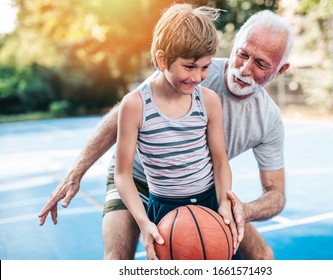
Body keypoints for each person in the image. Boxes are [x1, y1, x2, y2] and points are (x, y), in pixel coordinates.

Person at [39, 8, 294, 260]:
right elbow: (117, 121)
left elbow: (273, 192)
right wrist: (75, 174)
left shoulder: (263, 117)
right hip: (138, 178)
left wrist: (242, 209)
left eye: (260, 64)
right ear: (236, 43)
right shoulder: (185, 66)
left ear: (280, 70)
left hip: (198, 186)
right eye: (242, 54)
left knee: (261, 257)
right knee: (116, 260)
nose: (245, 69)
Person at [114, 3, 241, 260]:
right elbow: (123, 174)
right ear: (162, 59)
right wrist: (142, 222)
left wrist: (225, 202)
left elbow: (220, 161)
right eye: (190, 66)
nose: (197, 76)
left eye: (204, 67)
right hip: (164, 209)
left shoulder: (208, 100)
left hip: (210, 202)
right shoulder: (135, 105)